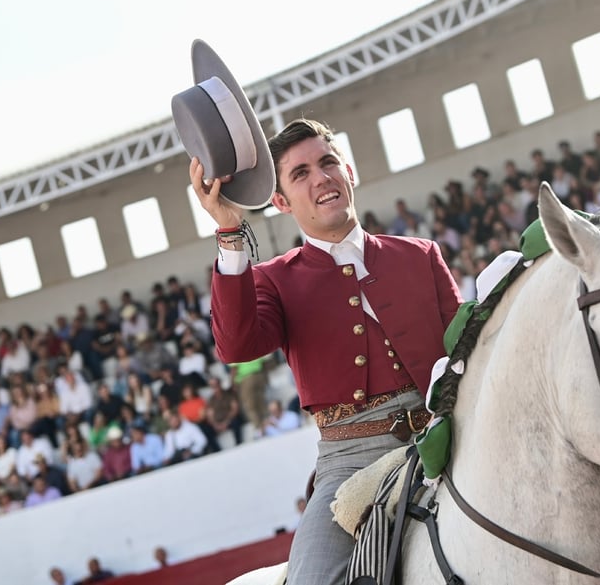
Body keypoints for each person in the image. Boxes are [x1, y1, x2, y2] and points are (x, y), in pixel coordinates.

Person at [189, 117, 461, 584]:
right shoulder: (273, 279)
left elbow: (467, 352)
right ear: (279, 201)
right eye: (300, 174)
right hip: (349, 462)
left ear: (349, 172)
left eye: (328, 162)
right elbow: (236, 346)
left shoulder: (421, 254)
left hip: (448, 434)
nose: (321, 178)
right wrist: (230, 231)